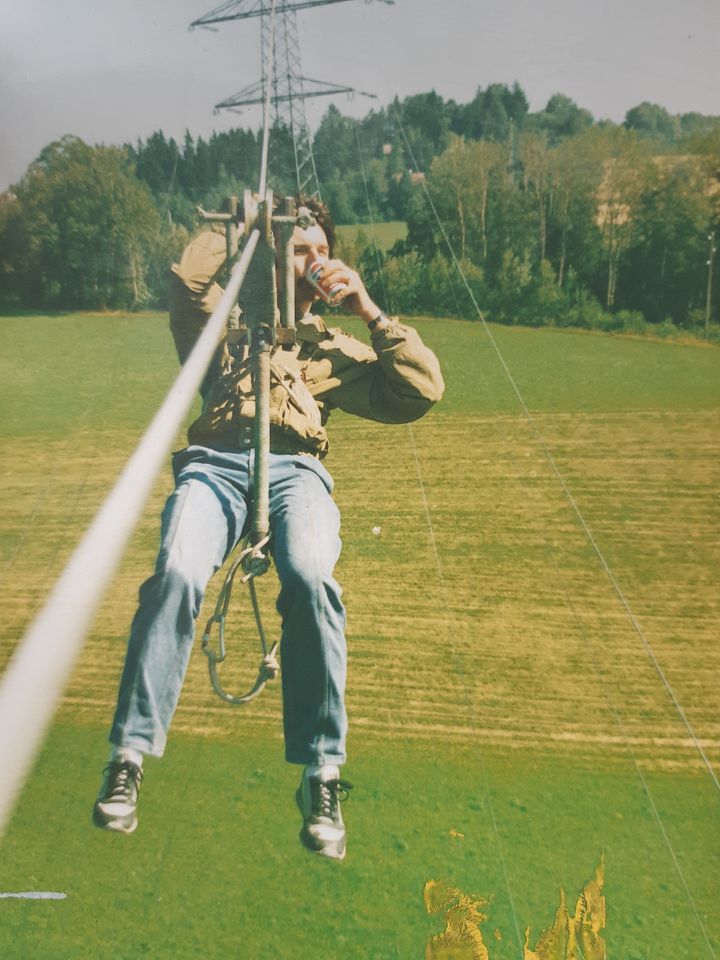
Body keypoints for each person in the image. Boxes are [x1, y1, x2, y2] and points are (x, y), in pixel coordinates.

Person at [92, 196, 444, 860]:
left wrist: (368, 310)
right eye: (294, 247)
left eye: (317, 249)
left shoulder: (332, 350)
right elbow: (187, 281)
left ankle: (323, 771)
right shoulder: (220, 322)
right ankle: (129, 756)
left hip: (295, 474)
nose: (309, 261)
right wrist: (238, 230)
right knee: (174, 573)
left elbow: (418, 392)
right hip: (215, 466)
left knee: (313, 580)